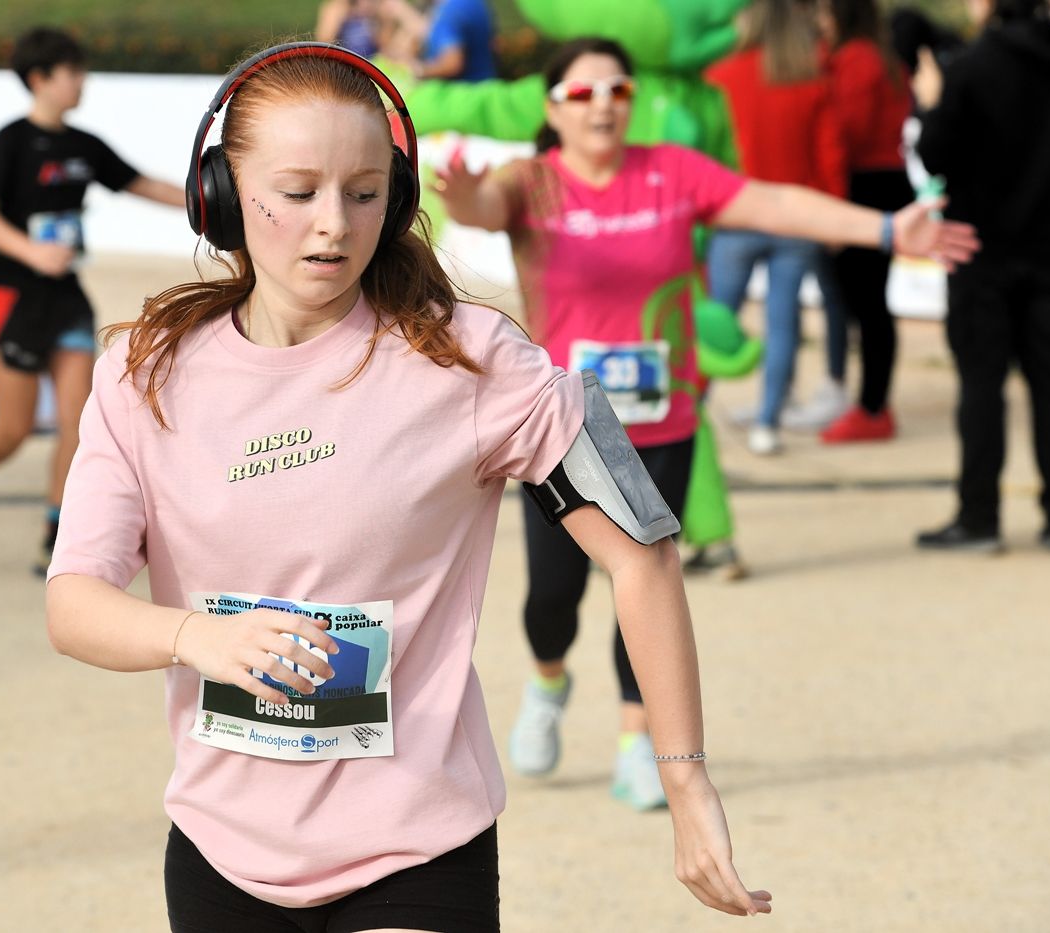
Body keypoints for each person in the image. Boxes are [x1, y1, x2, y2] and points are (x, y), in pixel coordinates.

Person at [47, 41, 773, 929]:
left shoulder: (475, 359)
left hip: (419, 854)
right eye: (297, 190)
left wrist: (686, 779)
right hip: (218, 852)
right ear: (224, 196)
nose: (334, 224)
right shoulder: (140, 373)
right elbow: (74, 601)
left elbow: (645, 554)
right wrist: (196, 636)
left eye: (363, 193)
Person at [435, 37, 977, 807]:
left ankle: (633, 737)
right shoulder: (534, 183)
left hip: (662, 426)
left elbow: (778, 203)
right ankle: (550, 680)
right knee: (551, 595)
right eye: (584, 94)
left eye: (618, 89)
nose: (605, 105)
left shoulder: (671, 171)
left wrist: (888, 230)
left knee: (645, 582)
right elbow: (480, 207)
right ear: (553, 107)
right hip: (560, 431)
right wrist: (460, 195)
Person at [0, 27, 185, 573]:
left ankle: (58, 536)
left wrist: (212, 201)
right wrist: (32, 253)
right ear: (40, 79)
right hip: (10, 295)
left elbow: (142, 184)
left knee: (79, 424)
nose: (83, 81)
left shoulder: (84, 146)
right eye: (72, 72)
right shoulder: (11, 141)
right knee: (11, 429)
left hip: (66, 298)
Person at [912, 0, 1050, 552]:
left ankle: (979, 516)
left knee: (982, 389)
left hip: (979, 251)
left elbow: (934, 154)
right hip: (1049, 248)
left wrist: (931, 104)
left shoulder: (973, 65)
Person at [705, 0, 846, 455]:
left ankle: (694, 409)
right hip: (795, 217)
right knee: (784, 322)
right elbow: (830, 158)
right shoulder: (811, 81)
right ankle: (768, 422)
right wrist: (835, 220)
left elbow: (704, 155)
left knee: (713, 321)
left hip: (735, 214)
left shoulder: (720, 77)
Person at [816, 0, 914, 444]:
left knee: (867, 306)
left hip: (863, 186)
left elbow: (843, 132)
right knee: (869, 305)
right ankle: (872, 402)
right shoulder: (883, 56)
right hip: (883, 182)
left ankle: (873, 406)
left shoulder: (857, 59)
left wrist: (833, 211)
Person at [315, 0, 383, 59]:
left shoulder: (378, 10)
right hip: (344, 63)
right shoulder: (337, 8)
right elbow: (324, 40)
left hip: (372, 63)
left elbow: (385, 48)